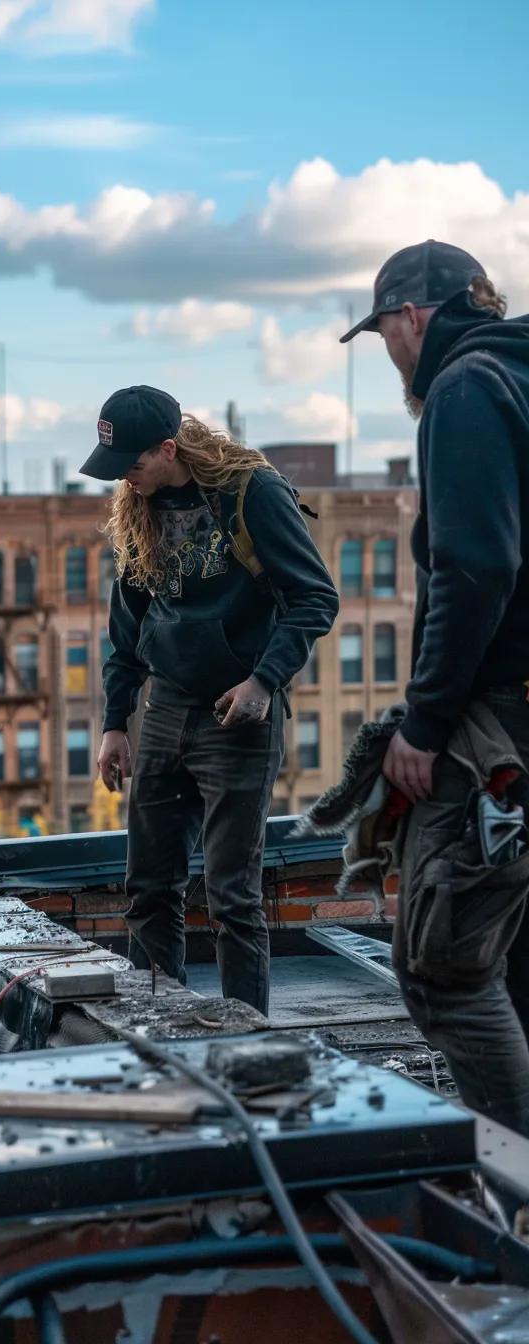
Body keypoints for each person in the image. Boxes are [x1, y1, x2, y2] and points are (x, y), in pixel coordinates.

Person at [341, 239, 529, 1134]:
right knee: (518, 955)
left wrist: (423, 722)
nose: (389, 356)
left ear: (411, 318)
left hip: (500, 718)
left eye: (383, 333)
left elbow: (473, 567)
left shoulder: (464, 389)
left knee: (443, 970)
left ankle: (516, 1188)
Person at [81, 388, 338, 1012]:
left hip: (236, 712)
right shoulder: (137, 506)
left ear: (169, 449)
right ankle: (155, 1026)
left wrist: (263, 682)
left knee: (232, 897)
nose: (126, 481)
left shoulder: (253, 494)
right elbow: (127, 628)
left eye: (134, 466)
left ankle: (245, 1036)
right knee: (148, 888)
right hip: (166, 707)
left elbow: (314, 598)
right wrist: (116, 723)